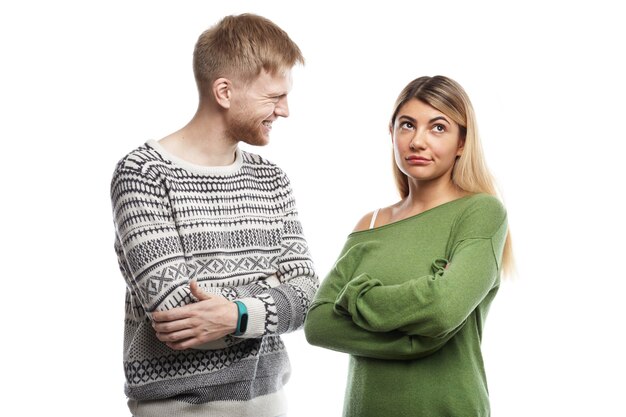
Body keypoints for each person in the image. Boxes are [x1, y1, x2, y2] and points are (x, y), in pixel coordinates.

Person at [110, 14, 318, 417]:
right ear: (224, 91)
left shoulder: (271, 179)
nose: (286, 110)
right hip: (177, 409)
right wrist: (269, 292)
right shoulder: (144, 174)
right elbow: (177, 319)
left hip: (270, 404)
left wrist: (234, 313)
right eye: (274, 97)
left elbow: (308, 296)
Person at [304, 75, 513, 417]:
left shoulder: (481, 212)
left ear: (462, 141)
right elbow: (319, 324)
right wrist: (414, 341)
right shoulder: (369, 224)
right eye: (407, 125)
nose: (417, 141)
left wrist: (356, 297)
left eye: (438, 128)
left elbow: (443, 309)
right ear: (392, 133)